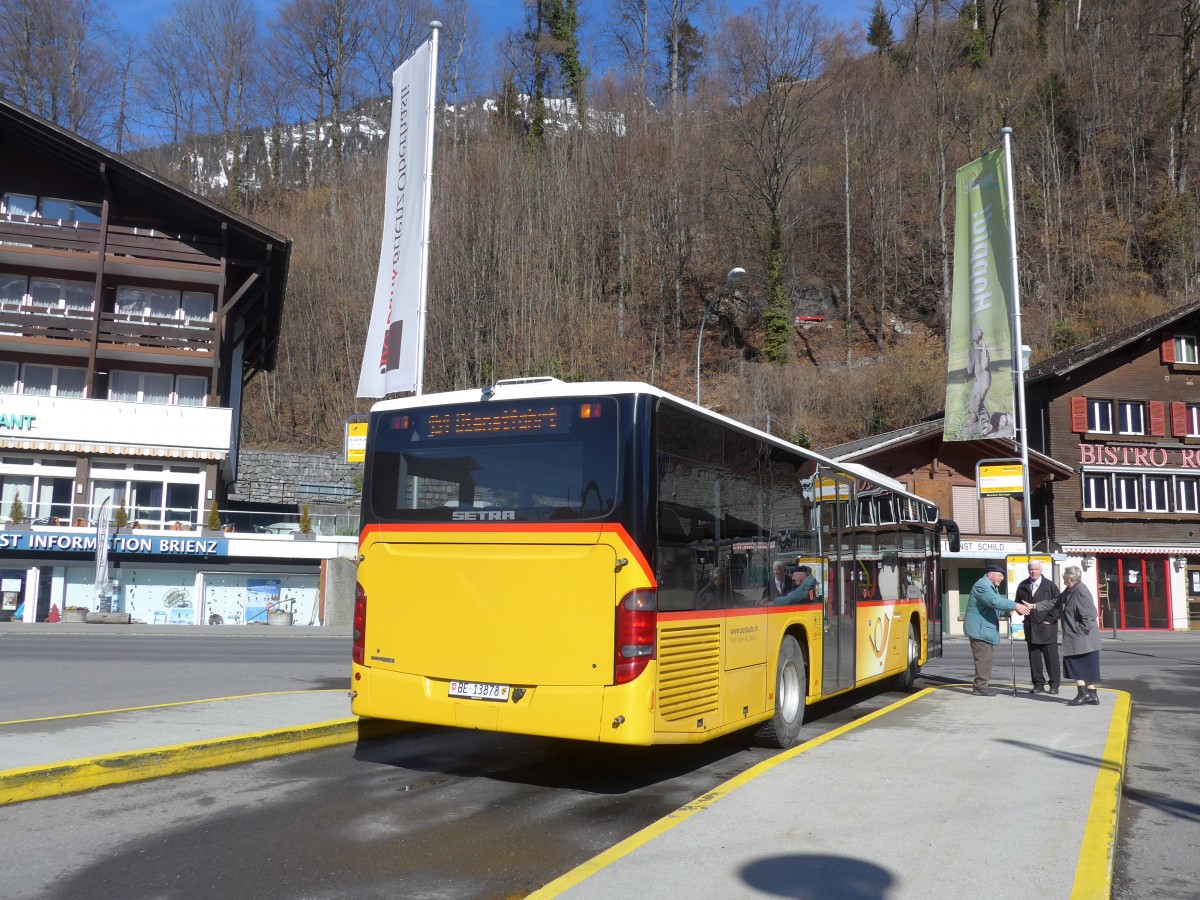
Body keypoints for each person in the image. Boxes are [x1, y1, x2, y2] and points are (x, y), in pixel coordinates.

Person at [964, 565, 1030, 696]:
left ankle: (982, 686)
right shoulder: (982, 586)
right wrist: (1015, 605)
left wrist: (1006, 611)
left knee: (986, 660)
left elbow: (993, 607)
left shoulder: (990, 587)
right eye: (999, 575)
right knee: (983, 660)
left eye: (1003, 576)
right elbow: (995, 602)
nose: (1002, 578)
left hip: (984, 629)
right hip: (980, 630)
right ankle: (980, 687)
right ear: (990, 574)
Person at [1046, 566, 1102, 706]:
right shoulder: (1069, 590)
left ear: (1070, 578)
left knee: (1076, 665)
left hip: (1082, 638)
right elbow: (1056, 603)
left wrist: (1080, 631)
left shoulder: (1080, 590)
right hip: (1079, 637)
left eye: (1064, 575)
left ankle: (1083, 693)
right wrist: (1035, 606)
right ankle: (1092, 694)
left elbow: (1090, 614)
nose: (1063, 577)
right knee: (1086, 666)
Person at [1015, 561, 1061, 694]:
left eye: (1036, 569)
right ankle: (1038, 684)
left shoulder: (1050, 586)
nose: (1033, 572)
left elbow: (1058, 605)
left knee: (1051, 659)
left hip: (1047, 628)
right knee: (1034, 659)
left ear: (1041, 570)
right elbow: (1018, 603)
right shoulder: (1023, 585)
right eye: (1031, 569)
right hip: (1031, 627)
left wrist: (1050, 619)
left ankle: (1054, 685)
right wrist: (1018, 610)